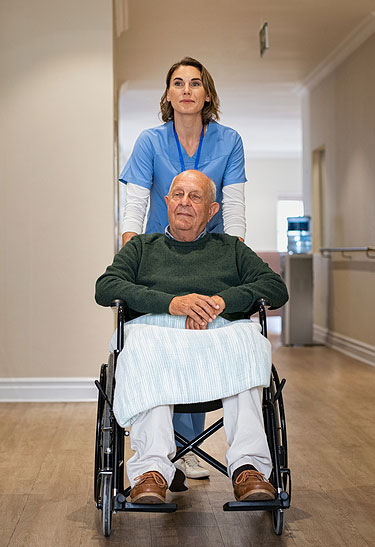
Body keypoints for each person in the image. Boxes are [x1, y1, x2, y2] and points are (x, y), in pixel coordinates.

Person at [95, 170, 288, 503]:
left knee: (249, 340)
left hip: (219, 341)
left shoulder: (232, 249)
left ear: (212, 210)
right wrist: (173, 304)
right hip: (158, 341)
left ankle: (248, 469)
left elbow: (275, 289)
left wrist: (221, 301)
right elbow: (106, 287)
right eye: (178, 195)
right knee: (138, 346)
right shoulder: (142, 247)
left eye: (195, 196)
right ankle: (150, 473)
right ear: (167, 202)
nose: (185, 202)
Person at [120, 57, 248, 478]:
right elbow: (136, 203)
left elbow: (235, 204)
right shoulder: (149, 141)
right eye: (178, 83)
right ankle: (166, 450)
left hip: (210, 247)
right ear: (169, 94)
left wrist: (235, 258)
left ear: (207, 94)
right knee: (162, 330)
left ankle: (185, 447)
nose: (187, 90)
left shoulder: (228, 141)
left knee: (204, 332)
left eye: (196, 83)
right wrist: (132, 257)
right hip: (162, 248)